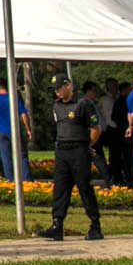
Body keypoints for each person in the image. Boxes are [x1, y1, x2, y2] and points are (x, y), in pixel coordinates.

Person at [40, 75, 103, 241]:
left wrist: (86, 145)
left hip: (79, 151)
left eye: (59, 88)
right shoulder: (56, 106)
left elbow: (95, 128)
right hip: (62, 151)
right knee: (60, 189)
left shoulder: (83, 104)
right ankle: (57, 224)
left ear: (68, 86)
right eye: (55, 89)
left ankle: (95, 225)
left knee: (84, 188)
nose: (57, 92)